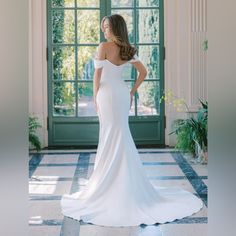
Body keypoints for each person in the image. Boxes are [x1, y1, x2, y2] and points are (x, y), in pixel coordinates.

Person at [61, 14, 203, 227]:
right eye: (103, 27)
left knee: (110, 135)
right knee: (119, 135)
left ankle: (108, 183)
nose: (104, 30)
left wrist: (95, 98)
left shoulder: (104, 46)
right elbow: (143, 72)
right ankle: (123, 183)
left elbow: (97, 77)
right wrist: (131, 92)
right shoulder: (129, 49)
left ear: (115, 27)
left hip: (107, 95)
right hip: (121, 94)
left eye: (107, 27)